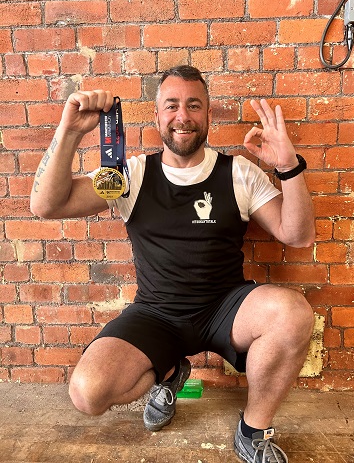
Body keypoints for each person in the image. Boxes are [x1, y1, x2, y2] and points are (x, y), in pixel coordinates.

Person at [30, 65, 315, 463]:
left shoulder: (239, 173)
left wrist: (288, 166)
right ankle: (169, 372)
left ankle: (253, 429)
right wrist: (72, 132)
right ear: (157, 116)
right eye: (172, 105)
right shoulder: (127, 175)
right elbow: (46, 205)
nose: (183, 116)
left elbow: (297, 234)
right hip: (156, 314)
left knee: (293, 313)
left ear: (208, 115)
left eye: (194, 105)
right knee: (87, 392)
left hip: (226, 309)